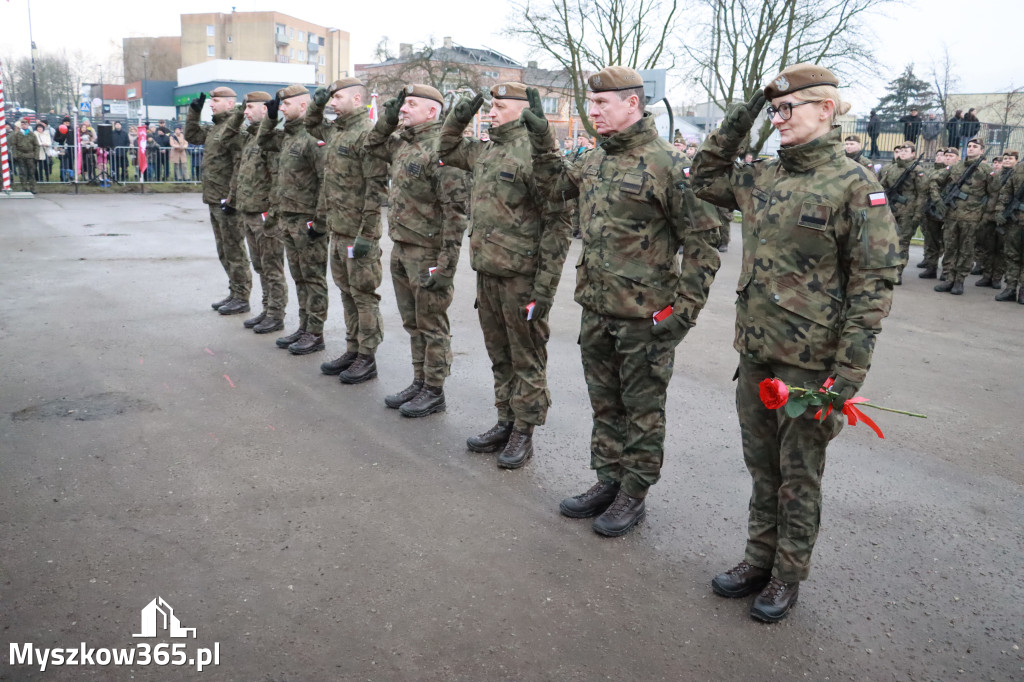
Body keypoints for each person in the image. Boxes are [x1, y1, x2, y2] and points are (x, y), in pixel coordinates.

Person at [692, 63, 899, 622]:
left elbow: (873, 284)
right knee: (762, 467)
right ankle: (758, 557)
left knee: (799, 475)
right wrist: (747, 111)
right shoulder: (763, 177)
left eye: (788, 109)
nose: (778, 119)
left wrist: (847, 375)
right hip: (756, 353)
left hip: (810, 367)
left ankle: (787, 574)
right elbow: (703, 173)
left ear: (825, 111)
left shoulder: (856, 186)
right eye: (774, 110)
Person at [524, 66, 722, 537]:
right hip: (597, 308)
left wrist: (681, 314)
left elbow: (702, 244)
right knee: (605, 404)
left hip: (644, 318)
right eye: (590, 105)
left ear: (632, 104)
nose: (593, 112)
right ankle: (608, 480)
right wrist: (539, 142)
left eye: (601, 104)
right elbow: (554, 188)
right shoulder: (596, 160)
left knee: (643, 409)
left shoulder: (667, 163)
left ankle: (634, 492)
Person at [438, 81, 571, 469]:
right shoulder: (487, 149)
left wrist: (544, 289)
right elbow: (444, 148)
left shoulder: (536, 154)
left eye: (497, 106)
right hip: (489, 271)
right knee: (500, 355)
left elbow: (559, 225)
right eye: (489, 107)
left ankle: (524, 432)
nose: (490, 113)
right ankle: (505, 419)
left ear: (521, 108)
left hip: (521, 277)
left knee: (526, 356)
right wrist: (464, 108)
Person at [364, 84, 470, 417]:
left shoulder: (444, 149)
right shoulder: (403, 145)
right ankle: (419, 379)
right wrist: (390, 114)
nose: (404, 109)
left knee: (432, 324)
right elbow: (372, 143)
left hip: (428, 252)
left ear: (432, 111)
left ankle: (434, 389)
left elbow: (456, 214)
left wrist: (447, 266)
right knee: (413, 323)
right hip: (402, 247)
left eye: (411, 104)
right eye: (403, 104)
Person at [305, 78, 388, 382]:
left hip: (358, 233)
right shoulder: (336, 131)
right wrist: (318, 100)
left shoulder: (366, 135)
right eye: (331, 98)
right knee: (347, 294)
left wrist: (367, 233)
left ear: (357, 99)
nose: (332, 103)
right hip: (338, 230)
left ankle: (367, 357)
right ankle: (353, 349)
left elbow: (375, 189)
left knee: (364, 296)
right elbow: (311, 122)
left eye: (337, 97)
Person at [256, 85, 328, 355]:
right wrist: (271, 118)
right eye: (280, 105)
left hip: (307, 220)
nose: (282, 108)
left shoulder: (313, 138)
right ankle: (304, 325)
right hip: (288, 216)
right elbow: (262, 141)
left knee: (313, 278)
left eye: (286, 105)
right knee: (299, 276)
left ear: (304, 106)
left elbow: (325, 180)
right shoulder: (287, 136)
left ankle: (316, 332)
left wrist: (319, 223)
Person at [223, 92, 288, 335]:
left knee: (272, 267)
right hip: (248, 212)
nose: (246, 112)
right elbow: (228, 144)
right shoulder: (251, 138)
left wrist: (272, 214)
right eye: (245, 108)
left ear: (265, 109)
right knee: (260, 265)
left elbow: (276, 179)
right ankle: (266, 308)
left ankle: (276, 313)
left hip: (264, 214)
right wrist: (234, 200)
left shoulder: (270, 141)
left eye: (250, 107)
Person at [184, 87, 252, 315]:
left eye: (216, 101)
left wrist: (232, 198)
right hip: (214, 198)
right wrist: (194, 111)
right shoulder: (216, 127)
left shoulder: (235, 130)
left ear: (230, 104)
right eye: (211, 101)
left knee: (234, 249)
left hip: (227, 200)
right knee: (224, 249)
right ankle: (234, 292)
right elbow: (192, 136)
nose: (211, 104)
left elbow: (239, 166)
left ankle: (242, 296)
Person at [930, 137, 996, 294]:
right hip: (952, 215)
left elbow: (994, 195)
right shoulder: (955, 167)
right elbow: (934, 181)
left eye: (975, 146)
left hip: (972, 217)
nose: (971, 148)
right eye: (969, 146)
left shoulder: (986, 171)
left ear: (981, 150)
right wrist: (937, 200)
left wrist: (985, 215)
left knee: (966, 250)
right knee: (950, 248)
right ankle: (949, 279)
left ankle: (959, 281)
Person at [878, 141, 927, 284]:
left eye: (906, 151)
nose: (902, 153)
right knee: (887, 240)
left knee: (902, 242)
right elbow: (882, 187)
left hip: (908, 211)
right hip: (891, 209)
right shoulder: (891, 168)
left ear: (913, 154)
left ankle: (898, 271)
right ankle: (887, 268)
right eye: (900, 151)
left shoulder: (917, 170)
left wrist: (918, 213)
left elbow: (922, 194)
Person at [975, 153, 1015, 289]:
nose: (1007, 160)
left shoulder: (1016, 177)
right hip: (991, 216)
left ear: (1016, 161)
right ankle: (987, 276)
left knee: (1001, 250)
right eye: (1006, 158)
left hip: (1006, 218)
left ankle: (997, 278)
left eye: (1010, 158)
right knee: (988, 248)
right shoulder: (995, 176)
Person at [918, 147, 952, 279]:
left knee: (948, 242)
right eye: (938, 155)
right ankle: (931, 267)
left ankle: (947, 271)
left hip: (948, 210)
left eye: (944, 155)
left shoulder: (954, 172)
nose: (940, 157)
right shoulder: (932, 172)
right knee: (931, 240)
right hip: (932, 210)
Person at [995, 151, 1024, 303]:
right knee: (1011, 254)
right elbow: (1006, 191)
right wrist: (1000, 210)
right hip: (1014, 221)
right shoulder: (1018, 169)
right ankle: (1011, 288)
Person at [12, 118, 40, 192]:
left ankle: (32, 188)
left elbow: (36, 145)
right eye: (22, 124)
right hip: (21, 155)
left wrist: (36, 156)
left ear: (28, 125)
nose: (24, 126)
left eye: (25, 124)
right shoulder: (17, 134)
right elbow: (14, 145)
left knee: (31, 173)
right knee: (22, 173)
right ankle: (24, 188)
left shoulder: (32, 134)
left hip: (30, 155)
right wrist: (15, 155)